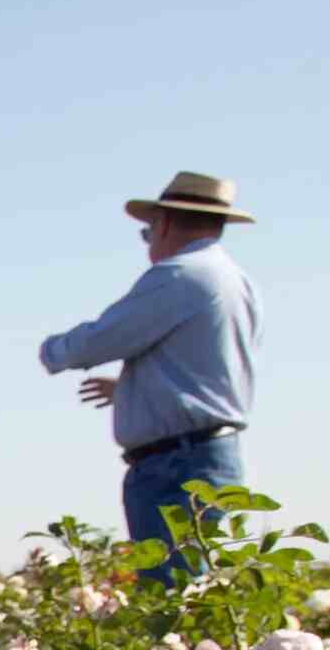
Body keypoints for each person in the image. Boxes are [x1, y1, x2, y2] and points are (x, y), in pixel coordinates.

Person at [39, 170, 261, 585]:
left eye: (147, 233)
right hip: (210, 453)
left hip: (177, 465)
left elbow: (103, 339)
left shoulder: (181, 274)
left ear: (164, 223)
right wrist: (133, 391)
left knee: (171, 596)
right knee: (201, 591)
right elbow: (207, 368)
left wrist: (52, 350)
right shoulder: (236, 280)